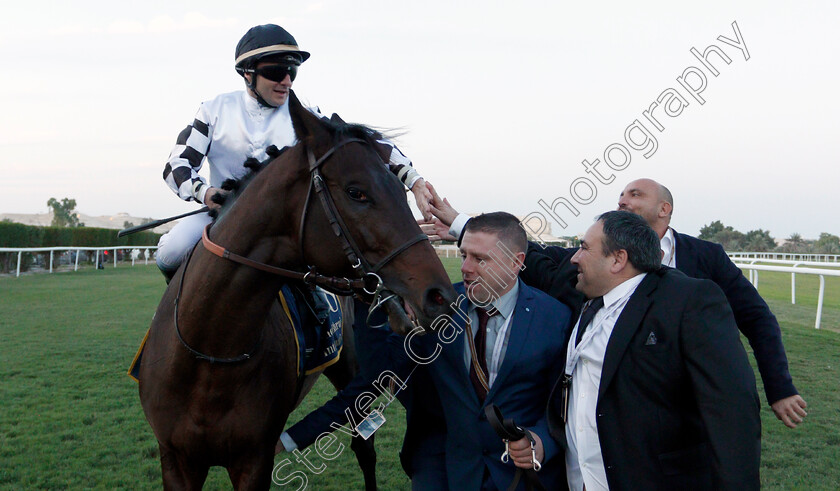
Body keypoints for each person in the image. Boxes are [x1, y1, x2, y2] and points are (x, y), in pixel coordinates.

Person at [423, 178, 807, 429]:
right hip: (602, 415)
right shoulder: (585, 261)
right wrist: (461, 223)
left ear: (664, 209)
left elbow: (756, 317)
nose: (623, 199)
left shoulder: (705, 258)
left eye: (635, 194)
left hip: (682, 414)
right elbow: (530, 254)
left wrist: (780, 387)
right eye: (620, 195)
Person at [283, 212, 572, 490]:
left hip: (520, 475)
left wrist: (542, 441)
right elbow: (374, 380)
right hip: (444, 470)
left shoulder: (556, 318)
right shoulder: (434, 308)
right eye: (464, 255)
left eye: (480, 259)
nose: (466, 268)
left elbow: (562, 404)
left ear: (516, 262)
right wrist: (288, 440)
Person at [156, 23, 433, 279]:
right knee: (172, 252)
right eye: (277, 72)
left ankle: (328, 321)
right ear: (248, 73)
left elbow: (367, 142)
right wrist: (204, 192)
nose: (287, 81)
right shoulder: (213, 110)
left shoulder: (306, 117)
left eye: (293, 71)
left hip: (286, 229)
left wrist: (414, 179)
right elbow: (177, 164)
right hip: (223, 217)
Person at [523, 211, 761, 490]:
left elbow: (732, 412)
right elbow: (523, 254)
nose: (574, 257)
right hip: (578, 481)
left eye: (585, 248)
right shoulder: (580, 290)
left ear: (618, 259)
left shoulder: (688, 300)